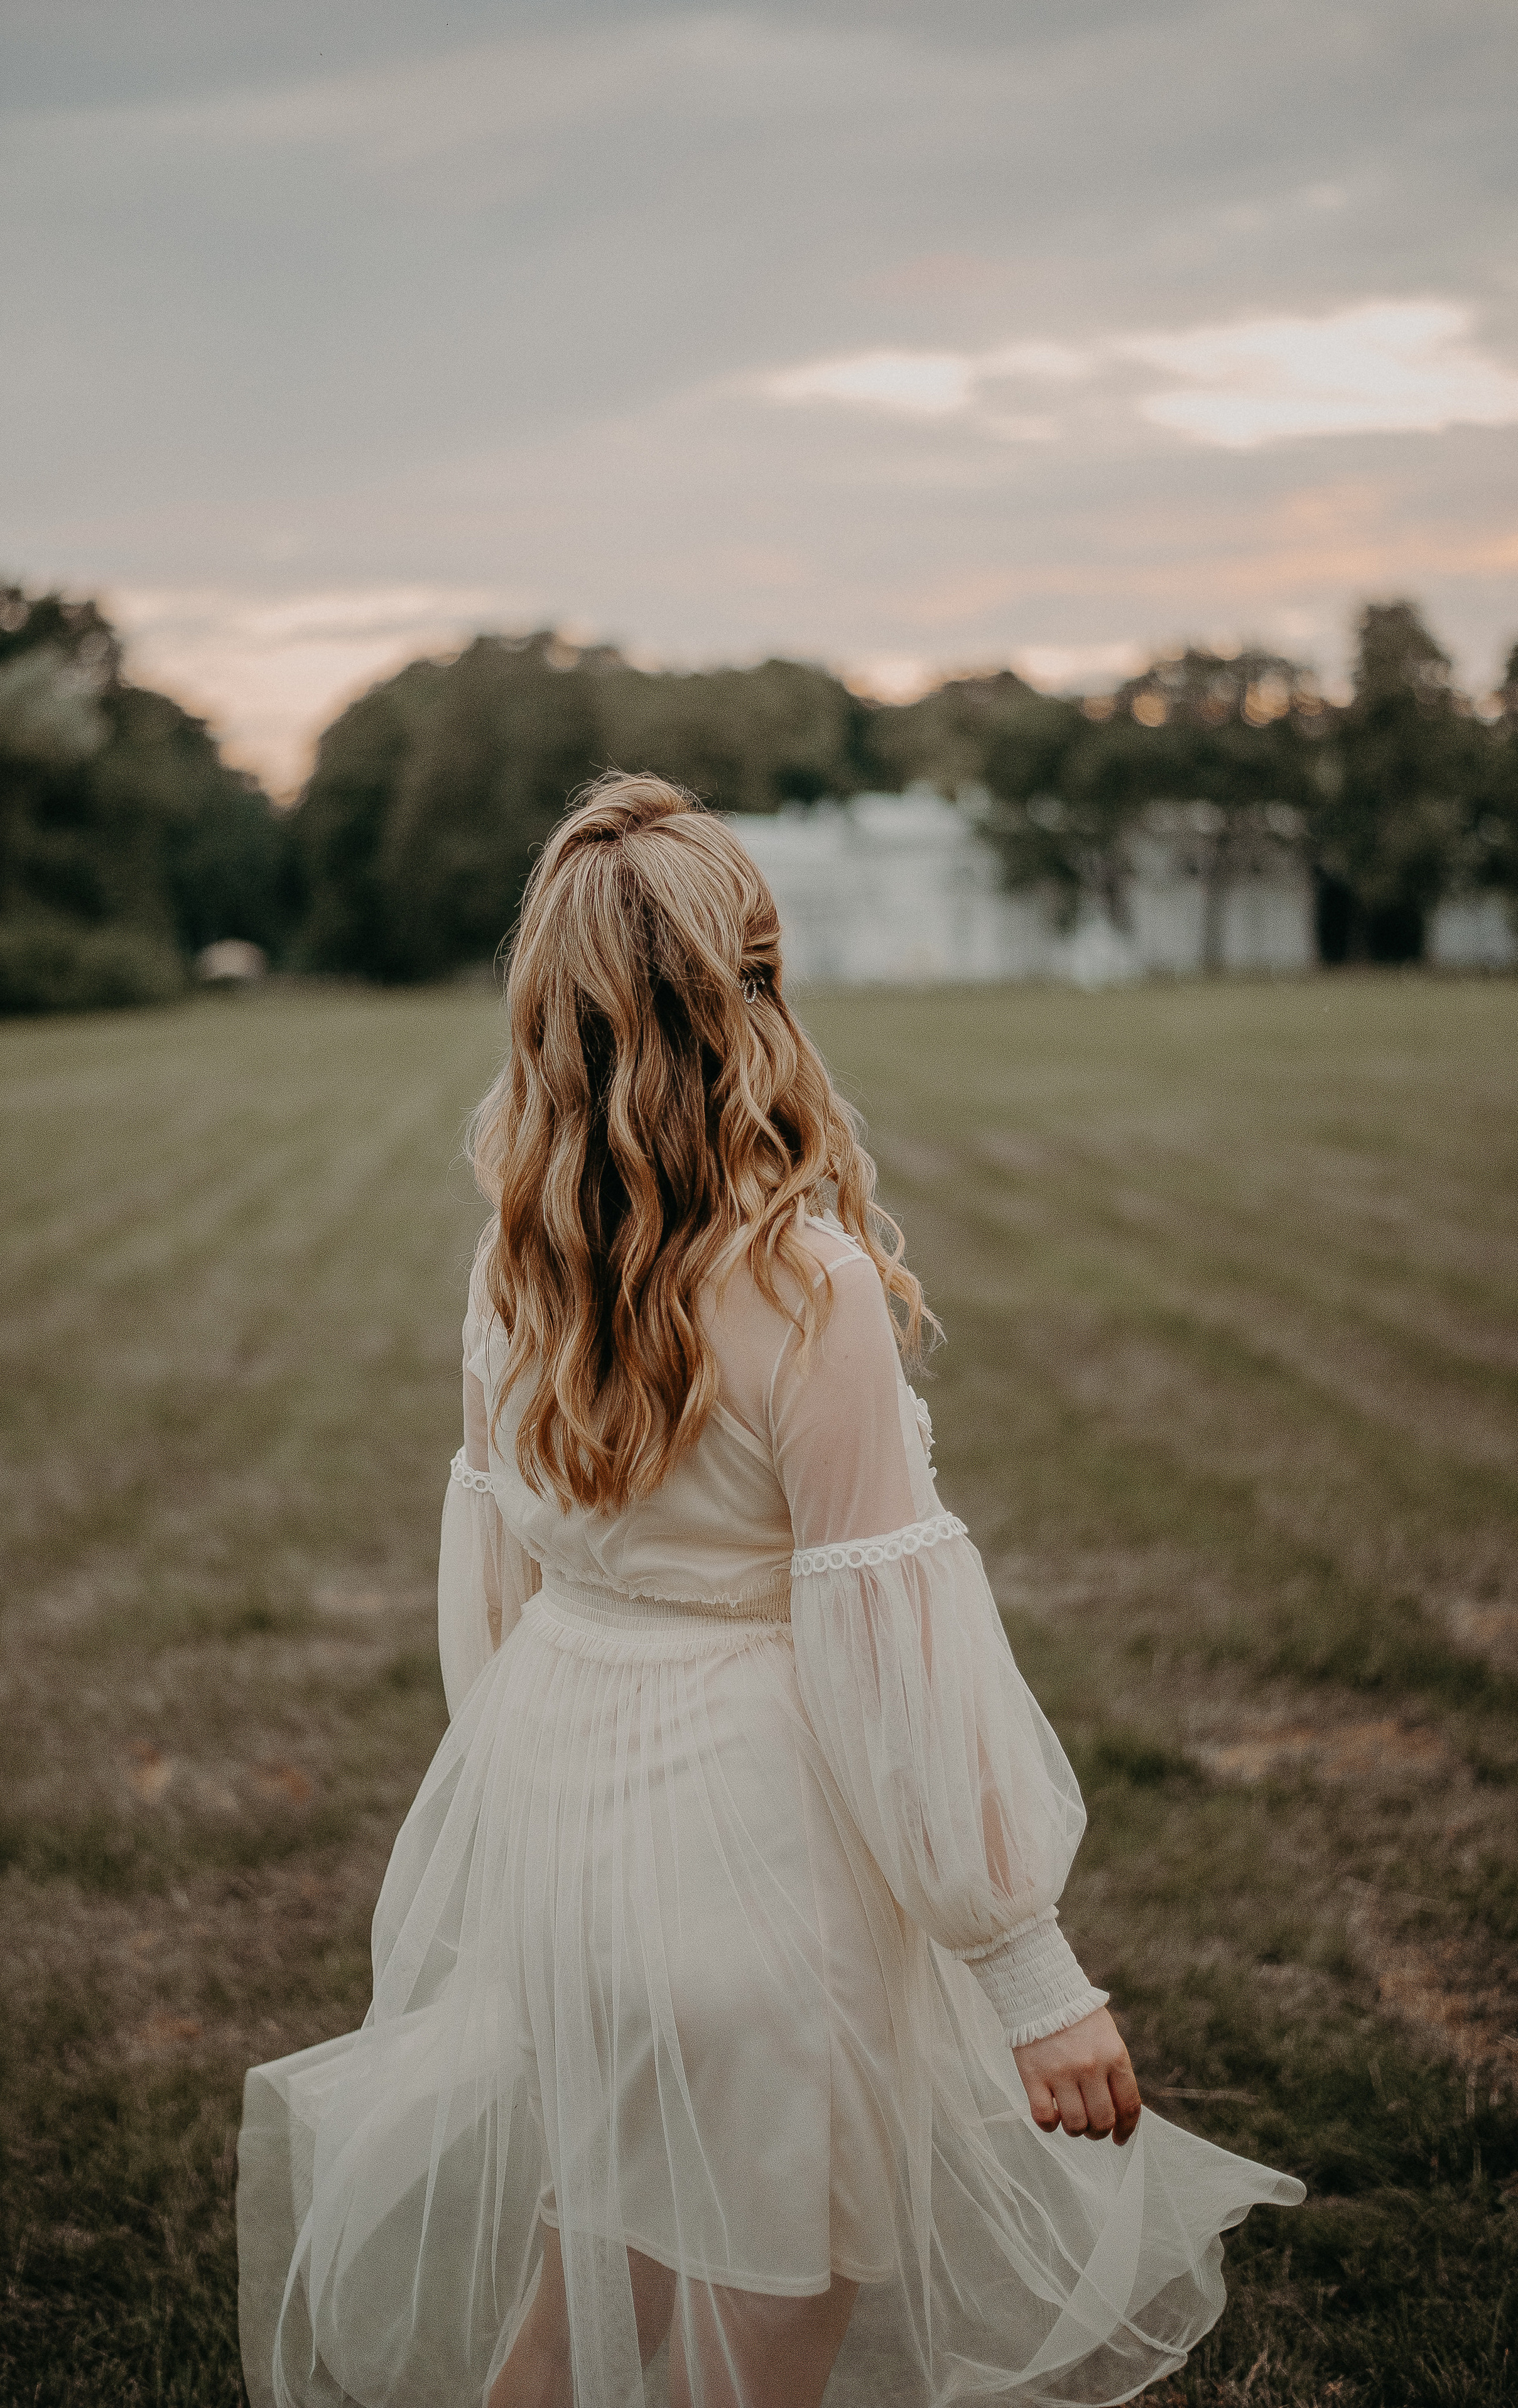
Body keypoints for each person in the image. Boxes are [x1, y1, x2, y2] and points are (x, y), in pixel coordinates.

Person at [237, 774, 1301, 2408]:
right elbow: (892, 1647)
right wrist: (1029, 1971)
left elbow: (501, 1582)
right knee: (762, 2333)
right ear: (748, 988)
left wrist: (542, 1826)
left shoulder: (518, 1261)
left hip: (569, 1846)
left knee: (593, 2279)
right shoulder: (810, 1287)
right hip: (753, 1857)